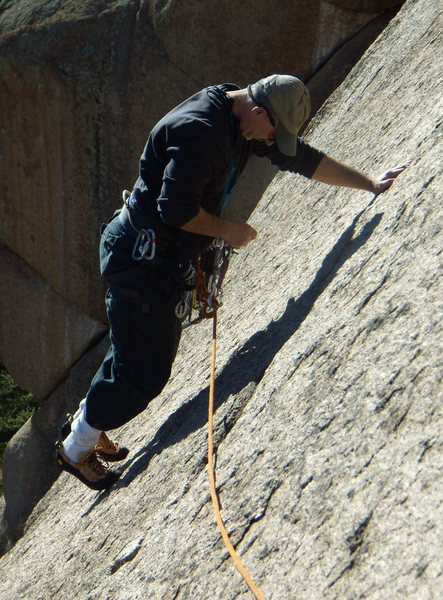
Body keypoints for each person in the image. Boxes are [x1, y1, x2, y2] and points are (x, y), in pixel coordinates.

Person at [56, 74, 408, 490]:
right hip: (140, 259)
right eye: (272, 132)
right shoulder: (203, 132)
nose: (268, 143)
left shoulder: (240, 113)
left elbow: (301, 159)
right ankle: (76, 449)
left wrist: (369, 182)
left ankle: (90, 421)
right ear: (260, 112)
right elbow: (175, 210)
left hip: (152, 254)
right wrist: (228, 230)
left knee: (136, 343)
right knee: (145, 373)